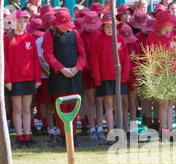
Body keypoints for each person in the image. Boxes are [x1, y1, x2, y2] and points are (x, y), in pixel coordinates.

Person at [42, 9, 87, 147]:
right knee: (61, 108)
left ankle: (73, 135)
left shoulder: (74, 33)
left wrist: (77, 68)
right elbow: (48, 55)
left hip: (74, 75)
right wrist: (61, 69)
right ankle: (64, 135)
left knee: (73, 107)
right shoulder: (49, 35)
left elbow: (82, 53)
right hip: (59, 76)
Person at [5, 10, 41, 149]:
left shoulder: (29, 38)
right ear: (14, 22)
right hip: (14, 79)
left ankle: (27, 135)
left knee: (27, 109)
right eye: (20, 21)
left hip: (28, 79)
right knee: (17, 108)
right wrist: (7, 80)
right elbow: (5, 61)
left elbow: (35, 60)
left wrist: (37, 78)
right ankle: (19, 136)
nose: (22, 24)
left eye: (25, 21)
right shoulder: (7, 38)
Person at [92, 13, 130, 144]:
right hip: (105, 78)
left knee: (119, 105)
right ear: (103, 27)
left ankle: (121, 131)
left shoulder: (120, 39)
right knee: (108, 105)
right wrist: (98, 78)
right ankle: (110, 132)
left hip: (119, 78)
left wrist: (124, 76)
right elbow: (95, 60)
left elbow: (126, 60)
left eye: (112, 26)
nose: (109, 29)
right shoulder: (98, 40)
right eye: (107, 26)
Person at [146, 10, 176, 139]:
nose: (171, 26)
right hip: (160, 74)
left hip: (172, 73)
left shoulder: (172, 37)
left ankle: (170, 129)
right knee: (163, 103)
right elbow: (150, 58)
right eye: (169, 24)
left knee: (170, 103)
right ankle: (163, 129)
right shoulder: (152, 38)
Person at [79, 10, 104, 144]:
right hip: (87, 73)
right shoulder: (81, 36)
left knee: (99, 101)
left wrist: (98, 71)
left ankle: (99, 127)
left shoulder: (99, 35)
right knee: (89, 100)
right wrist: (90, 70)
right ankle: (92, 128)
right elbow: (81, 55)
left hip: (99, 73)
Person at [36, 10, 57, 143]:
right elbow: (39, 59)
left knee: (58, 103)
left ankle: (60, 127)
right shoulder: (39, 41)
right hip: (46, 77)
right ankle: (50, 129)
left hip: (58, 75)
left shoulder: (59, 39)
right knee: (48, 104)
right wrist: (49, 73)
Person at [119, 23, 139, 137]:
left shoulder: (134, 44)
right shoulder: (118, 45)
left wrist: (136, 75)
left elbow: (138, 60)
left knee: (133, 103)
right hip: (121, 78)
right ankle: (125, 128)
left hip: (132, 78)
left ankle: (133, 128)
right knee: (124, 103)